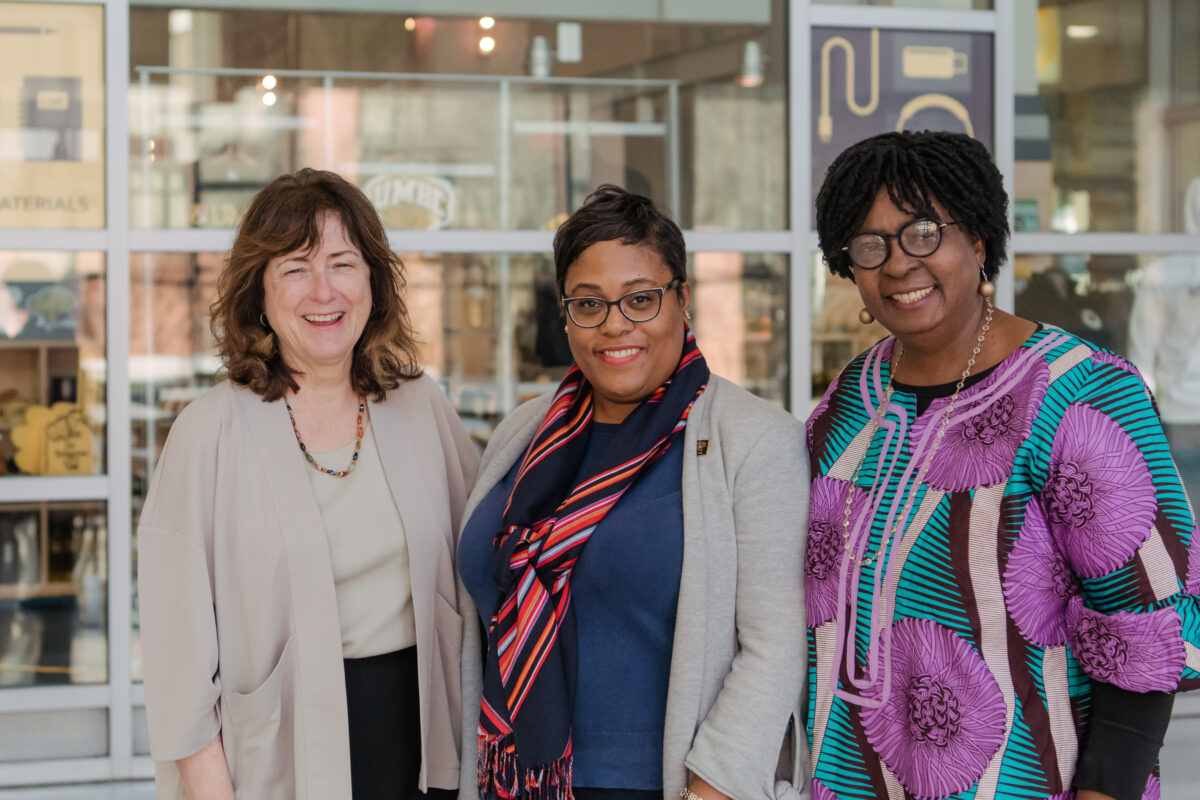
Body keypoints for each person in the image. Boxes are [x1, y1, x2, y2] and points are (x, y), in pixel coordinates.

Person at [806, 131, 1200, 800]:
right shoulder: (847, 405)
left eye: (925, 232)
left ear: (980, 240)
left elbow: (1148, 630)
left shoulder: (1080, 394)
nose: (899, 263)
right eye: (870, 245)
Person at [456, 185, 808, 800]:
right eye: (588, 304)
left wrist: (711, 790)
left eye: (641, 299)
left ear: (683, 300)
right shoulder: (524, 432)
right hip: (514, 784)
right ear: (564, 313)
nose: (616, 324)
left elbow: (775, 648)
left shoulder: (752, 441)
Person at [138, 169, 479, 799]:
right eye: (295, 268)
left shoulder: (419, 405)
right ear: (258, 295)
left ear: (373, 282)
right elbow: (176, 661)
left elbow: (484, 560)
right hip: (277, 761)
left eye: (343, 263)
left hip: (425, 743)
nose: (323, 290)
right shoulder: (208, 433)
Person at [1128, 176, 1200, 505]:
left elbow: (1142, 353)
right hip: (1176, 418)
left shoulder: (1162, 273)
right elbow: (1142, 358)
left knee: (1182, 524)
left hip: (1175, 416)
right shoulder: (1163, 275)